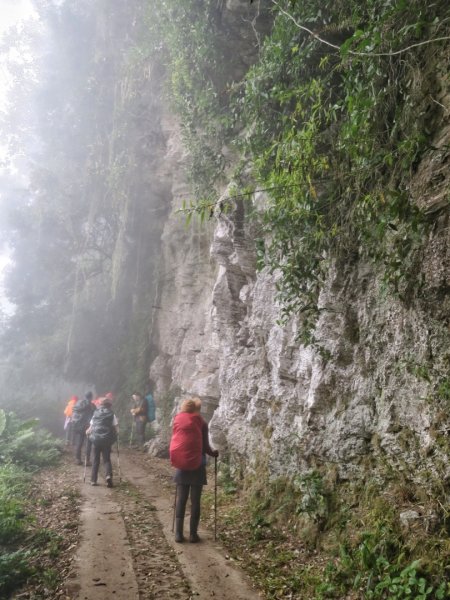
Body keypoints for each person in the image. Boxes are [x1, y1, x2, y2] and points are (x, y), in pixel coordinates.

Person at [170, 398, 218, 543]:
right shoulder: (201, 422)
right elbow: (205, 447)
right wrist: (214, 453)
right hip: (197, 465)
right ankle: (192, 535)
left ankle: (178, 534)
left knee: (181, 499)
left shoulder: (177, 420)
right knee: (195, 501)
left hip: (181, 466)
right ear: (197, 408)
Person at [86, 396, 118, 487]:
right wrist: (116, 434)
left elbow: (90, 428)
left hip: (95, 440)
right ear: (109, 405)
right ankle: (108, 476)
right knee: (106, 460)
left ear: (100, 405)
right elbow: (116, 428)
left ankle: (93, 480)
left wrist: (87, 432)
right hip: (106, 440)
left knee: (95, 460)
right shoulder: (112, 414)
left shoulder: (95, 413)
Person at [71, 391, 95, 465]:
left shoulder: (78, 403)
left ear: (84, 396)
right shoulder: (92, 405)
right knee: (88, 443)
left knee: (79, 442)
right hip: (87, 426)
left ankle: (78, 459)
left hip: (78, 425)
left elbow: (74, 412)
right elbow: (95, 415)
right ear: (91, 397)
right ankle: (87, 460)